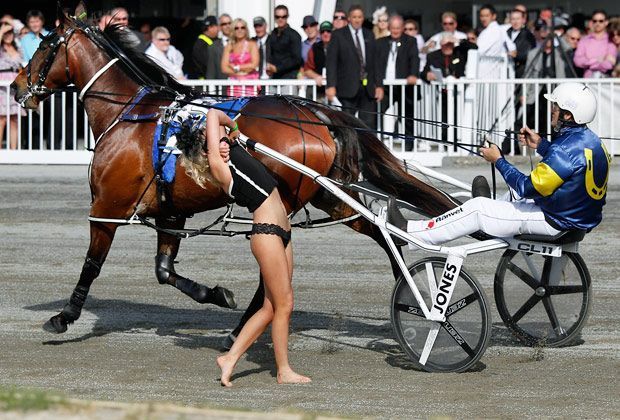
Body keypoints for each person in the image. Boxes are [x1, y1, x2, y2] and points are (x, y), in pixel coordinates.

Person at [389, 82, 609, 248]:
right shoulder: (593, 141)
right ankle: (491, 207)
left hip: (555, 221)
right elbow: (571, 164)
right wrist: (541, 145)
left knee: (476, 209)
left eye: (556, 106)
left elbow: (527, 186)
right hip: (576, 217)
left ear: (568, 114)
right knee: (512, 193)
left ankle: (409, 232)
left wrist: (498, 160)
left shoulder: (563, 151)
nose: (552, 109)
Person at [203, 110, 310, 387]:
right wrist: (223, 135)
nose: (222, 143)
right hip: (266, 234)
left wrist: (234, 129)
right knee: (284, 303)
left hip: (283, 232)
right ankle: (283, 370)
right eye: (216, 142)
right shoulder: (219, 167)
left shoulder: (235, 150)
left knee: (272, 306)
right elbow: (213, 114)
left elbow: (224, 120)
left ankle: (229, 358)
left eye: (222, 141)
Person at [326, 4, 383, 129]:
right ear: (349, 19)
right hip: (346, 87)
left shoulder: (369, 35)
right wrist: (330, 85)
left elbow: (376, 62)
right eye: (354, 17)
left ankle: (368, 149)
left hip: (367, 88)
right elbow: (331, 62)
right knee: (346, 124)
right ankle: (348, 149)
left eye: (360, 17)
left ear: (363, 18)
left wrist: (379, 85)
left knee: (368, 124)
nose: (357, 20)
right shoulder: (338, 35)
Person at [376, 15, 419, 150]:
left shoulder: (411, 41)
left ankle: (409, 146)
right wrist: (378, 84)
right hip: (385, 86)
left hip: (404, 85)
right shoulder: (381, 42)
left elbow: (414, 59)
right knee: (377, 112)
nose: (395, 31)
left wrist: (413, 75)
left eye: (398, 28)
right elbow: (375, 64)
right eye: (393, 28)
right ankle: (379, 144)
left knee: (407, 116)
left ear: (402, 28)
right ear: (389, 28)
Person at [0, 18, 24, 149]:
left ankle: (13, 150)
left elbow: (20, 27)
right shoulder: (1, 49)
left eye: (10, 33)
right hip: (2, 86)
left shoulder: (17, 48)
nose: (8, 35)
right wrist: (2, 30)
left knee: (14, 119)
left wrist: (9, 22)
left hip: (14, 86)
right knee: (1, 119)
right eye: (6, 33)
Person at [267, 5, 302, 94]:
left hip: (288, 81)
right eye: (277, 17)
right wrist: (269, 67)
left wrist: (277, 68)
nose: (280, 19)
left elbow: (297, 59)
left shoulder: (294, 35)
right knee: (271, 108)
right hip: (273, 80)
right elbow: (270, 54)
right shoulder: (272, 34)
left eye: (283, 16)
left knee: (289, 108)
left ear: (287, 17)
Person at [221, 18, 259, 97]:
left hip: (250, 83)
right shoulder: (229, 46)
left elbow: (254, 65)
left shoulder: (252, 44)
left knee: (249, 107)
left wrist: (237, 67)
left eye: (242, 27)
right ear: (233, 30)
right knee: (233, 107)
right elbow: (224, 67)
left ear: (246, 30)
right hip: (234, 83)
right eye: (236, 28)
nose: (240, 30)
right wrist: (238, 74)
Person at [573, 10, 616, 78]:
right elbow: (577, 61)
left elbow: (609, 64)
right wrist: (597, 60)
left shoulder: (611, 40)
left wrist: (589, 63)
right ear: (591, 22)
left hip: (606, 82)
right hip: (588, 81)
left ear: (606, 22)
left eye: (601, 21)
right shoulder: (584, 40)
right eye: (595, 21)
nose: (597, 23)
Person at [303, 21, 332, 99]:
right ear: (319, 33)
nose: (325, 34)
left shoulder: (339, 47)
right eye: (323, 32)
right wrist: (316, 76)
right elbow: (307, 69)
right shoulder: (314, 48)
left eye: (329, 31)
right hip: (318, 91)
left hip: (336, 91)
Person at [190, 16, 225, 80]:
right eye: (217, 26)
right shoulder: (201, 44)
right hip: (205, 83)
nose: (219, 29)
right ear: (210, 27)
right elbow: (208, 64)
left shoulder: (214, 41)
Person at [507, 9, 536, 78]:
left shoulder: (528, 35)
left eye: (518, 19)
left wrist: (515, 54)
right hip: (506, 70)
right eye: (513, 19)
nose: (515, 22)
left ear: (523, 20)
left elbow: (530, 53)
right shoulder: (506, 33)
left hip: (521, 71)